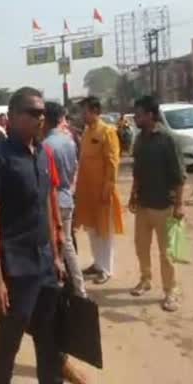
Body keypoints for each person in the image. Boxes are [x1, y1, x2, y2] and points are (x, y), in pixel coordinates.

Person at [0, 87, 65, 384]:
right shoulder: (0, 157)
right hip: (16, 267)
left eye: (42, 113)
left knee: (51, 340)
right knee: (9, 342)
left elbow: (45, 204)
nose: (40, 118)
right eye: (33, 112)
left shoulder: (42, 153)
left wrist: (55, 254)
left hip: (44, 263)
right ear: (14, 116)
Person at [129, 96, 186, 313]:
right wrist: (133, 195)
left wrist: (179, 204)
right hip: (143, 204)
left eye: (139, 114)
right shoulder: (140, 139)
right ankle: (145, 279)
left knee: (166, 253)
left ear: (150, 115)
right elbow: (137, 171)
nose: (136, 117)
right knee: (141, 246)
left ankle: (170, 292)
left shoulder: (168, 139)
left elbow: (179, 175)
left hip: (165, 205)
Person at [75, 96, 124, 285]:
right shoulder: (87, 133)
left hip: (103, 190)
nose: (82, 115)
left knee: (105, 231)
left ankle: (106, 269)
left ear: (95, 111)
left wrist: (108, 188)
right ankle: (97, 264)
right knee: (92, 229)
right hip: (87, 190)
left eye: (85, 111)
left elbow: (113, 162)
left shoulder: (108, 131)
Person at [43, 102, 86, 297]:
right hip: (66, 196)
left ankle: (58, 288)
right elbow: (73, 170)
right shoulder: (69, 141)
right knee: (67, 245)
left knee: (54, 247)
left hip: (52, 202)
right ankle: (78, 288)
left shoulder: (45, 146)